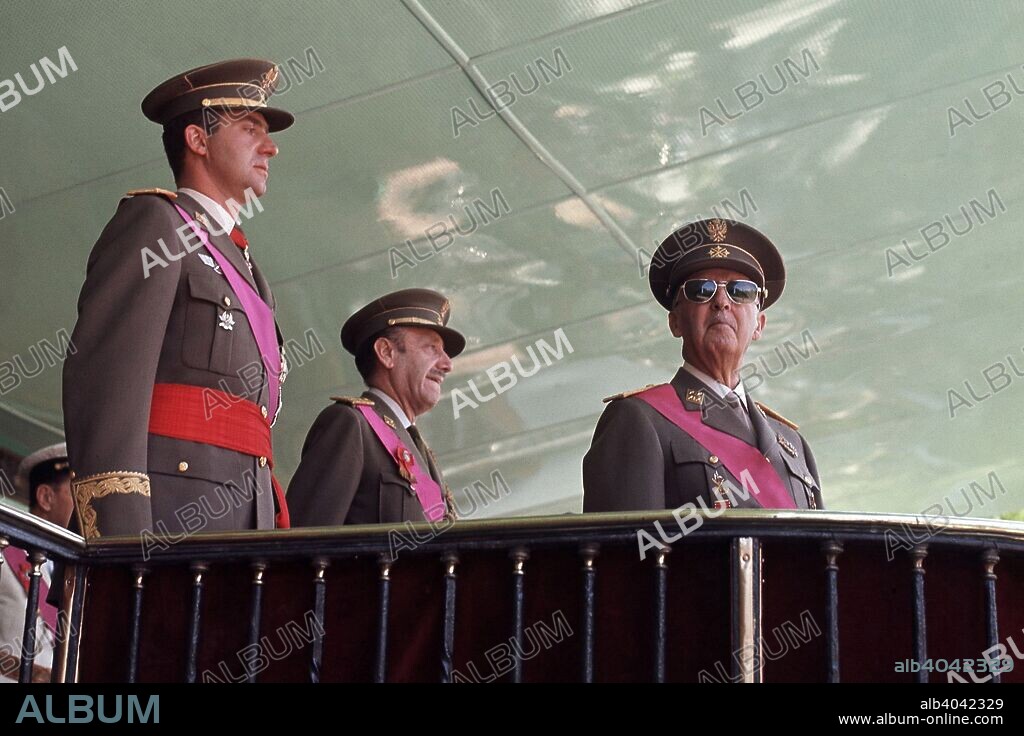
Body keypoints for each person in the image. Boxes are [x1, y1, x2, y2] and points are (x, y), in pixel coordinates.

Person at [63, 59, 294, 540]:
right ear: (198, 139)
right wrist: (121, 540)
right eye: (250, 128)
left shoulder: (252, 270)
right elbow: (106, 385)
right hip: (170, 516)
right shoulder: (156, 224)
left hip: (242, 518)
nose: (269, 146)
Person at [583, 218, 823, 512]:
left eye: (741, 291)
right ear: (675, 322)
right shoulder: (639, 419)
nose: (722, 301)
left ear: (759, 325)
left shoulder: (792, 444)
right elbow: (627, 553)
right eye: (701, 290)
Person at [288, 289, 464, 525]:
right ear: (386, 353)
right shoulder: (350, 425)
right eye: (431, 348)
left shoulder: (420, 450)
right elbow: (304, 542)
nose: (447, 365)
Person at [0, 443, 73, 683]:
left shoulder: (73, 571)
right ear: (45, 497)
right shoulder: (4, 553)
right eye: (76, 492)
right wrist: (33, 674)